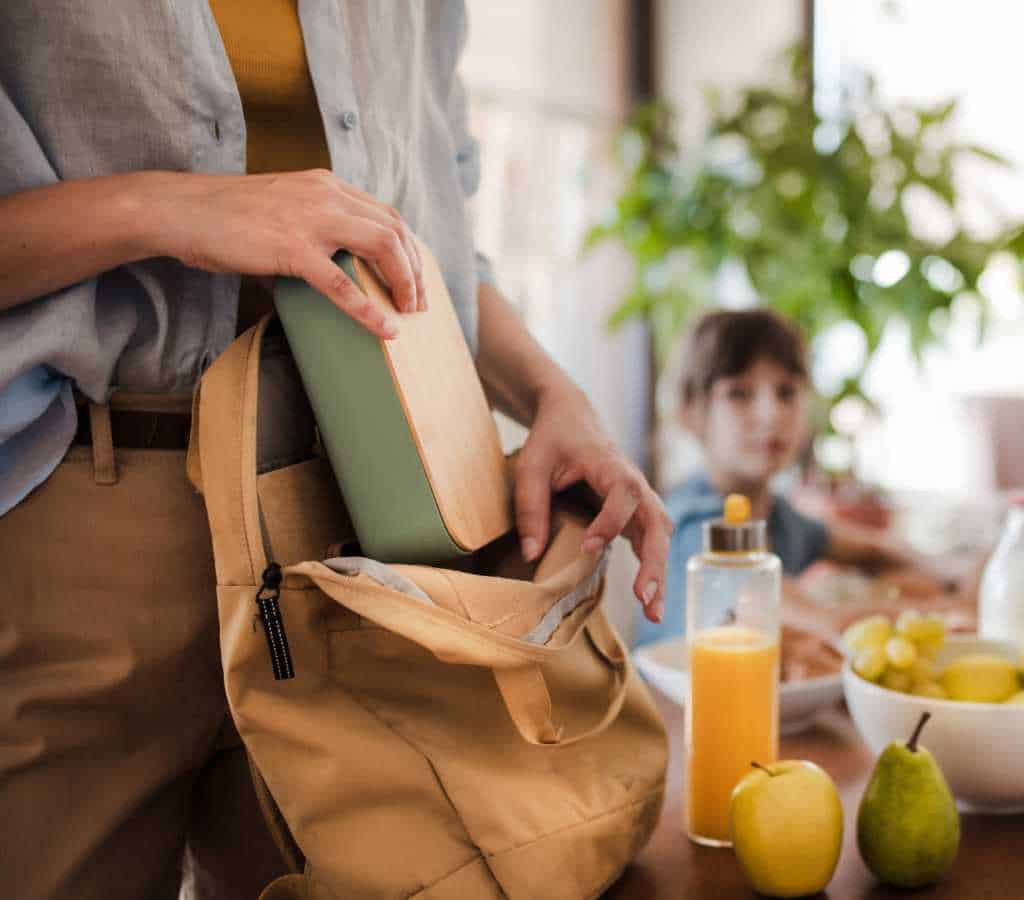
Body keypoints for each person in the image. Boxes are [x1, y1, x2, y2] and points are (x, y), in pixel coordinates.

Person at [0, 4, 670, 898]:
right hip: (93, 528)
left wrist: (555, 395)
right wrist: (171, 206)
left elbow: (432, 242)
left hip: (356, 537)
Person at [635, 309, 931, 648]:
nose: (770, 414)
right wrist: (945, 610)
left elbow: (873, 550)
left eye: (786, 392)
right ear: (689, 410)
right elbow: (821, 622)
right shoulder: (690, 521)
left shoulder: (780, 517)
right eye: (739, 393)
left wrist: (945, 569)